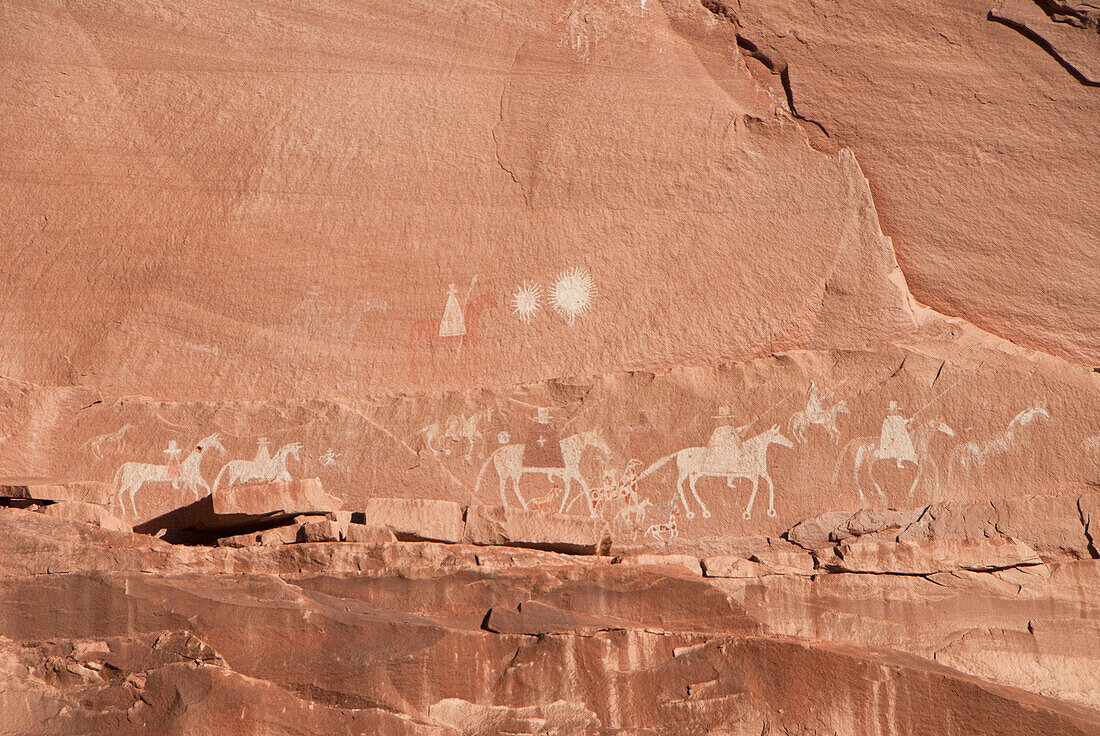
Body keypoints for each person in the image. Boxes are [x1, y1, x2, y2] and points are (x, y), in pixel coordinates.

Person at [875, 401, 918, 467]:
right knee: (894, 450)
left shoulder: (899, 418)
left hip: (899, 438)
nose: (895, 411)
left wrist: (910, 420)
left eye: (895, 410)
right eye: (893, 410)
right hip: (891, 440)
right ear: (889, 411)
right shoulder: (887, 420)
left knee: (903, 448)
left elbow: (903, 424)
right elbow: (890, 429)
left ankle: (900, 461)